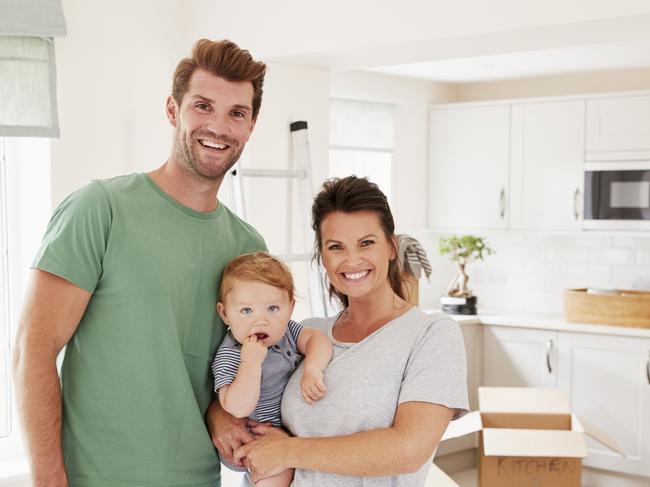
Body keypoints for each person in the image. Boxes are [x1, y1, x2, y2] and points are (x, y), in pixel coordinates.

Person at [12, 39, 267, 487]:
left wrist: (216, 414)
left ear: (250, 126)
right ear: (173, 110)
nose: (219, 126)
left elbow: (218, 366)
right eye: (202, 106)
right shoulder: (99, 209)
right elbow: (32, 351)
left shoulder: (248, 247)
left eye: (236, 113)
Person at [212, 176, 469, 486]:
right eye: (336, 247)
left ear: (391, 246)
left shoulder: (431, 335)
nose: (351, 259)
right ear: (323, 257)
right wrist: (218, 418)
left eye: (366, 242)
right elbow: (247, 387)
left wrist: (290, 452)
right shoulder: (305, 335)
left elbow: (409, 450)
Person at [212, 251, 333, 486]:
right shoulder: (231, 354)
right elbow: (237, 407)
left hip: (295, 434)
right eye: (246, 311)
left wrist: (313, 369)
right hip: (258, 438)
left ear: (290, 307)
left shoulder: (286, 331)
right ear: (225, 313)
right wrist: (250, 364)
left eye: (273, 308)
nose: (261, 321)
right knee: (275, 478)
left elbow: (317, 340)